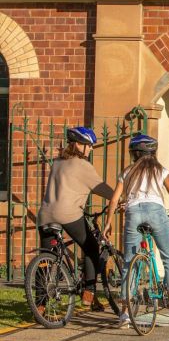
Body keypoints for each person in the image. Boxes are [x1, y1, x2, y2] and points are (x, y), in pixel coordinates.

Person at [103, 133, 169, 327]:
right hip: (156, 212)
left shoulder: (127, 171)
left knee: (129, 262)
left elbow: (114, 199)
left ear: (134, 153)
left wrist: (108, 222)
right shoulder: (160, 171)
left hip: (133, 213)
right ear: (153, 152)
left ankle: (125, 314)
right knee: (168, 256)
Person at [37, 126, 114, 311]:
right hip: (68, 214)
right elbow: (101, 188)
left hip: (45, 214)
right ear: (80, 145)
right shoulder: (83, 165)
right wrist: (120, 198)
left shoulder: (57, 162)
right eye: (90, 145)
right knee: (91, 247)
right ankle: (89, 292)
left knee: (45, 260)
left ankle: (39, 305)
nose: (91, 149)